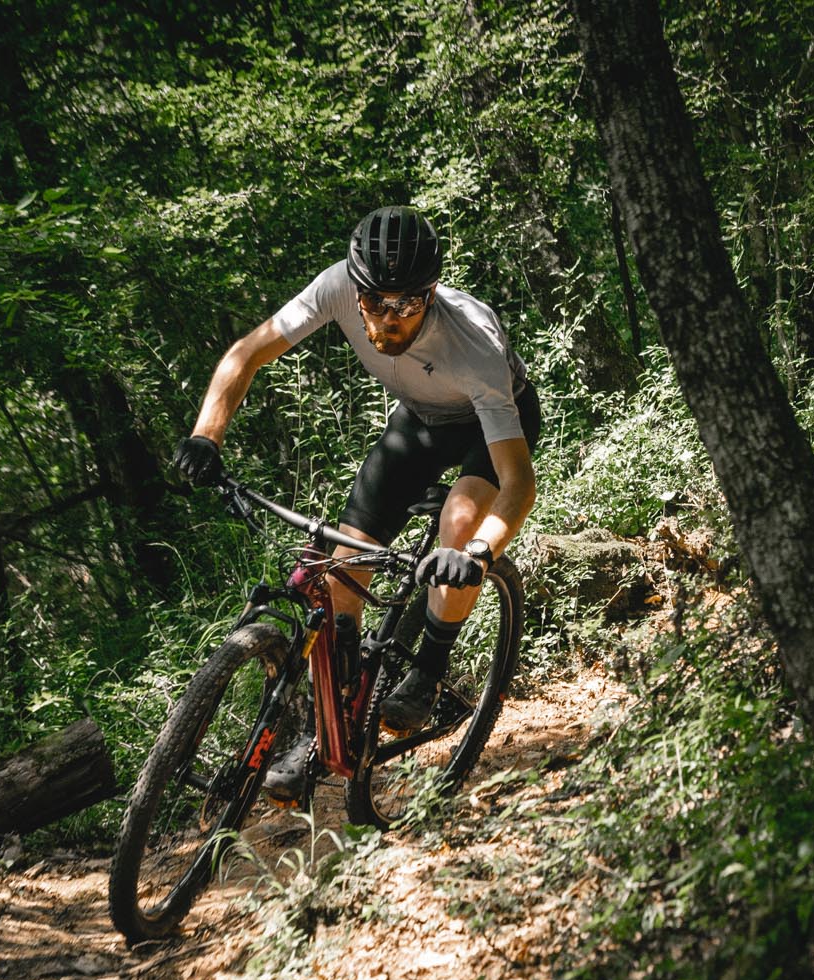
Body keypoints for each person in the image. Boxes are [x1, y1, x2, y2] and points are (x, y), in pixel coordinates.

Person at [171, 205, 539, 803]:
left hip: (489, 424)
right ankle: (325, 730)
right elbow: (246, 354)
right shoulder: (336, 287)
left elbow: (517, 483)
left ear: (432, 292)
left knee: (460, 518)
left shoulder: (474, 347)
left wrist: (477, 552)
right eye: (375, 302)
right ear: (356, 288)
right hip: (418, 420)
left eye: (407, 304)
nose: (389, 319)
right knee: (342, 576)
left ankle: (427, 670)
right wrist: (206, 436)